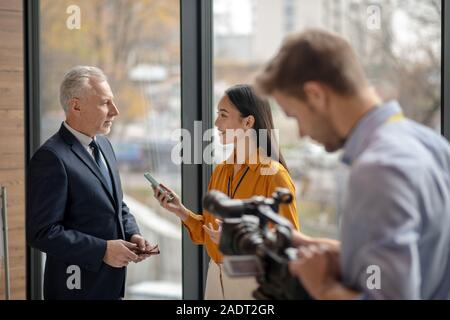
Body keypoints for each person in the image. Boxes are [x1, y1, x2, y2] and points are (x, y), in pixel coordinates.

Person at [255, 29, 450, 299]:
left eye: (294, 115)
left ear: (316, 95)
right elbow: (423, 260)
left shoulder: (378, 169)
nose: (301, 132)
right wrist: (315, 247)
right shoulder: (432, 145)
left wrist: (322, 287)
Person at [153, 84, 300, 299]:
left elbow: (289, 243)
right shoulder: (221, 171)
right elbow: (208, 233)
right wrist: (181, 211)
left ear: (248, 122)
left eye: (223, 115)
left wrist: (239, 241)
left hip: (254, 282)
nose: (216, 123)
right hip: (216, 276)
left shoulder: (274, 175)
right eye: (217, 114)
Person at [27, 66, 156, 300]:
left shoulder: (104, 145)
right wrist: (103, 250)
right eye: (105, 103)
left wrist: (132, 234)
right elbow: (43, 232)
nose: (115, 111)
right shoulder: (51, 157)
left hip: (111, 287)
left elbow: (117, 205)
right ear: (76, 106)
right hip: (75, 290)